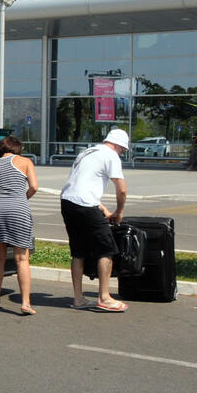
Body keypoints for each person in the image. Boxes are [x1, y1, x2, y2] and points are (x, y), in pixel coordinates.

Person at [60, 129, 129, 312]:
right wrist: (119, 211)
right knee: (106, 250)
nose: (121, 153)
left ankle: (78, 298)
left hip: (67, 202)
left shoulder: (86, 152)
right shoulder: (111, 155)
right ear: (117, 145)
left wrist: (104, 210)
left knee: (78, 251)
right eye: (122, 149)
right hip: (85, 205)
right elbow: (121, 189)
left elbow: (82, 185)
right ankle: (104, 297)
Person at [0, 135, 39, 314]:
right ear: (18, 149)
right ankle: (26, 303)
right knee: (22, 258)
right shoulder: (26, 162)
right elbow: (34, 187)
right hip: (18, 210)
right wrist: (21, 199)